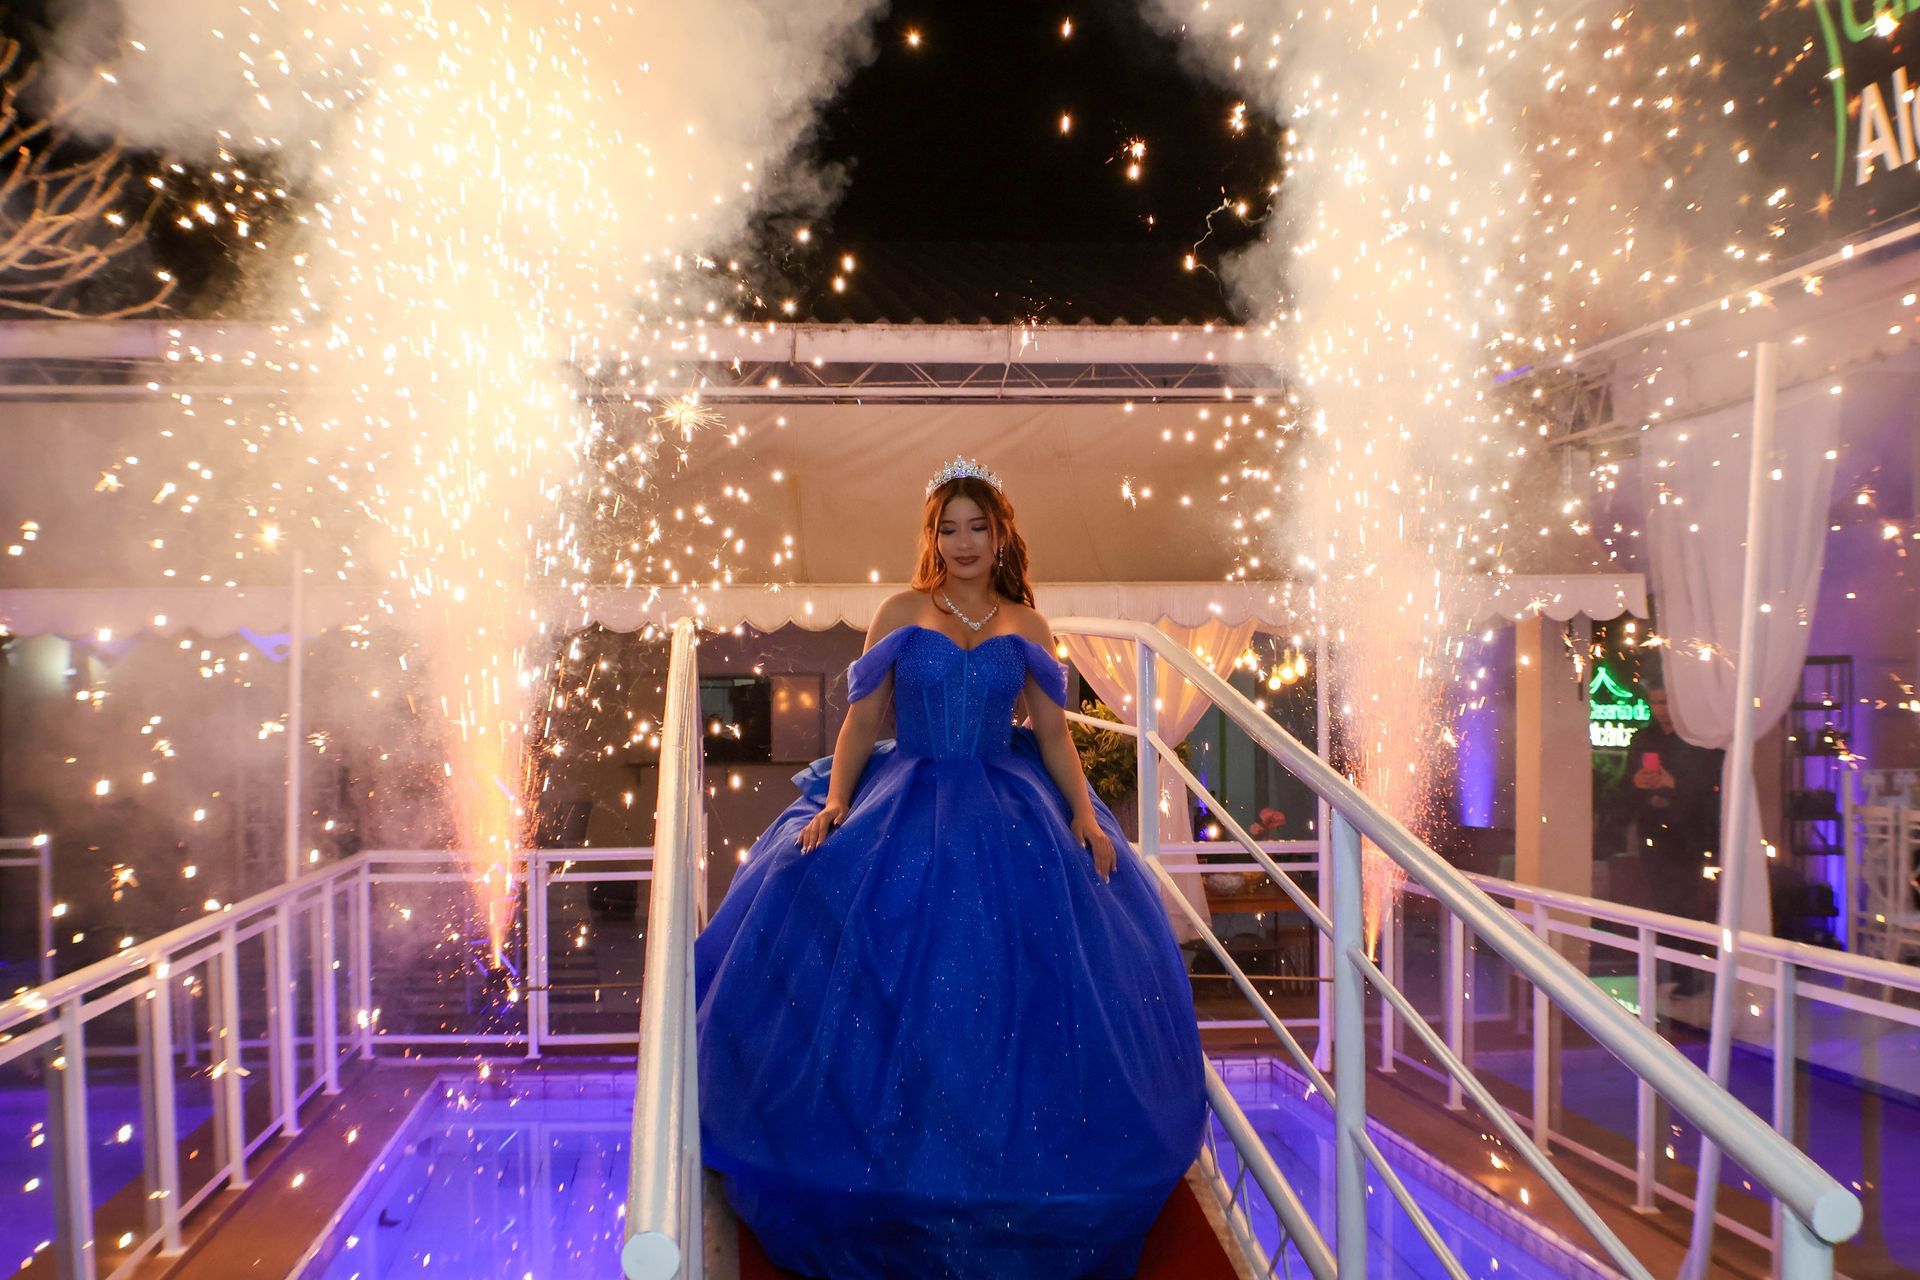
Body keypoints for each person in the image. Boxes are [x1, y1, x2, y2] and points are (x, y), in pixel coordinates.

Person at [694, 458, 1207, 1280]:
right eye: (947, 527)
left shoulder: (1027, 626)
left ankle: (1015, 1171)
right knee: (852, 942)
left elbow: (1050, 734)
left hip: (1009, 803)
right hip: (910, 791)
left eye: (978, 526)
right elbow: (862, 725)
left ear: (1002, 533)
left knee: (1022, 977)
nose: (963, 541)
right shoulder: (900, 611)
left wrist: (1081, 809)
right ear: (930, 536)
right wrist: (835, 805)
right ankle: (885, 1163)